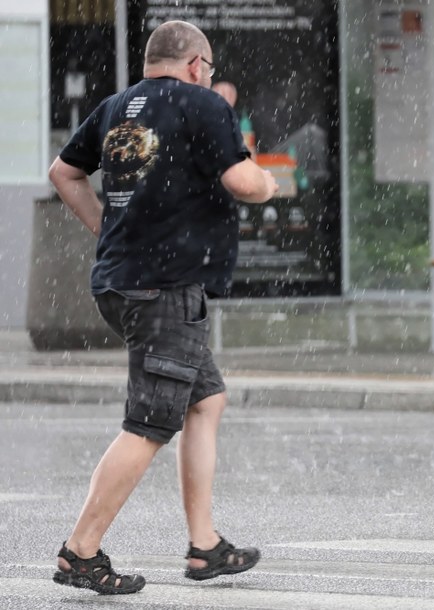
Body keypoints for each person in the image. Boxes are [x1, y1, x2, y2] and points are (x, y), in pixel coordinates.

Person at [47, 20, 278, 594]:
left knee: (206, 400)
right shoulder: (203, 103)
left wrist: (108, 229)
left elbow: (64, 173)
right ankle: (81, 551)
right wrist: (269, 182)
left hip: (123, 282)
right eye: (210, 67)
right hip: (166, 289)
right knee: (149, 425)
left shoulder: (116, 107)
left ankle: (205, 547)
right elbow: (242, 183)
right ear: (197, 63)